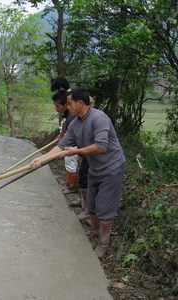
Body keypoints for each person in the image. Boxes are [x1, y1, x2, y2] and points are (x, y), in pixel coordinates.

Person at [31, 88, 125, 258]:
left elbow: (101, 146)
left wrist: (77, 151)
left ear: (80, 103)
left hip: (111, 168)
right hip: (95, 168)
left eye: (69, 103)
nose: (67, 106)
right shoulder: (75, 124)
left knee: (104, 209)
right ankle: (95, 236)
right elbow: (61, 146)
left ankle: (103, 244)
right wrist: (41, 159)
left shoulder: (99, 119)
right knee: (92, 208)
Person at [50, 77, 78, 190]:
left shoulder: (73, 97)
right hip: (70, 131)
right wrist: (62, 134)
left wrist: (64, 135)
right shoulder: (65, 100)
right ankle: (72, 184)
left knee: (70, 159)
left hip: (75, 134)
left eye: (56, 90)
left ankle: (72, 186)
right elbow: (66, 120)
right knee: (69, 159)